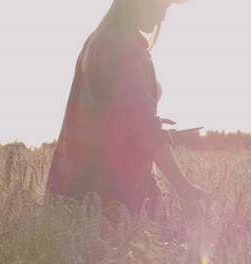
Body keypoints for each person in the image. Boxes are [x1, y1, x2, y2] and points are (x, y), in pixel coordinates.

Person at [45, 0, 206, 217]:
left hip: (77, 191)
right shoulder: (123, 49)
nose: (163, 17)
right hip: (113, 196)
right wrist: (183, 187)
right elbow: (144, 125)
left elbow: (106, 115)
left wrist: (139, 122)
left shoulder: (97, 42)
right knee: (153, 247)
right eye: (159, 6)